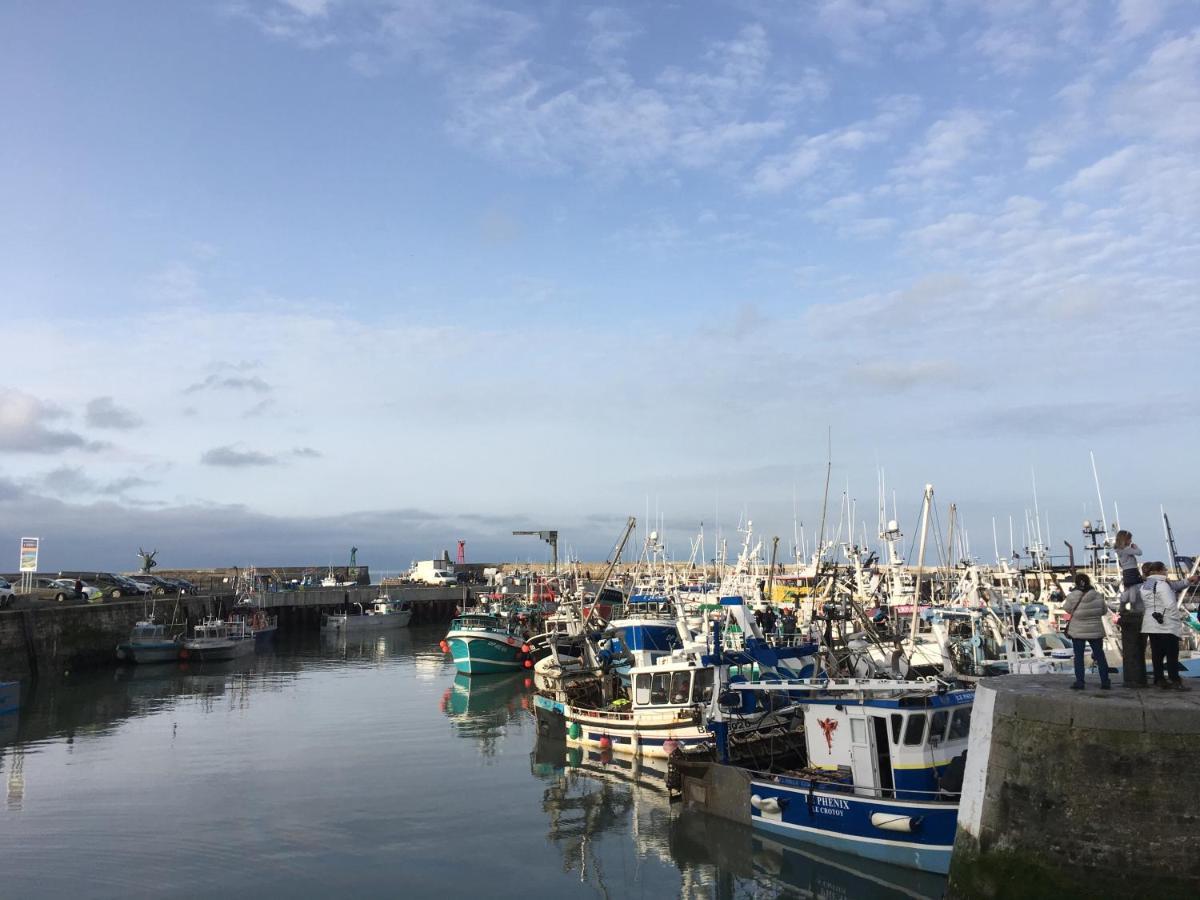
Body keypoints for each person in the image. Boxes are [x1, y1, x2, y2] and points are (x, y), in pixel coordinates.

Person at [1140, 561, 1198, 691]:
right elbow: (1170, 604)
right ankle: (1175, 680)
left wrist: (1187, 581)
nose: (1166, 570)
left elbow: (1174, 586)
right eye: (1165, 569)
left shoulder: (1147, 585)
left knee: (1157, 654)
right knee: (1172, 654)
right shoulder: (1163, 585)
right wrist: (1177, 620)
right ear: (1159, 571)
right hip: (1166, 625)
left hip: (1151, 623)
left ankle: (1159, 679)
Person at [1061, 573, 1112, 690]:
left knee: (1079, 657)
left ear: (1076, 583)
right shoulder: (1098, 595)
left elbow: (1067, 609)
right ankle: (1105, 681)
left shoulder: (1072, 596)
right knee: (1100, 656)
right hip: (1095, 630)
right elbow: (1103, 611)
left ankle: (1080, 682)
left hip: (1078, 631)